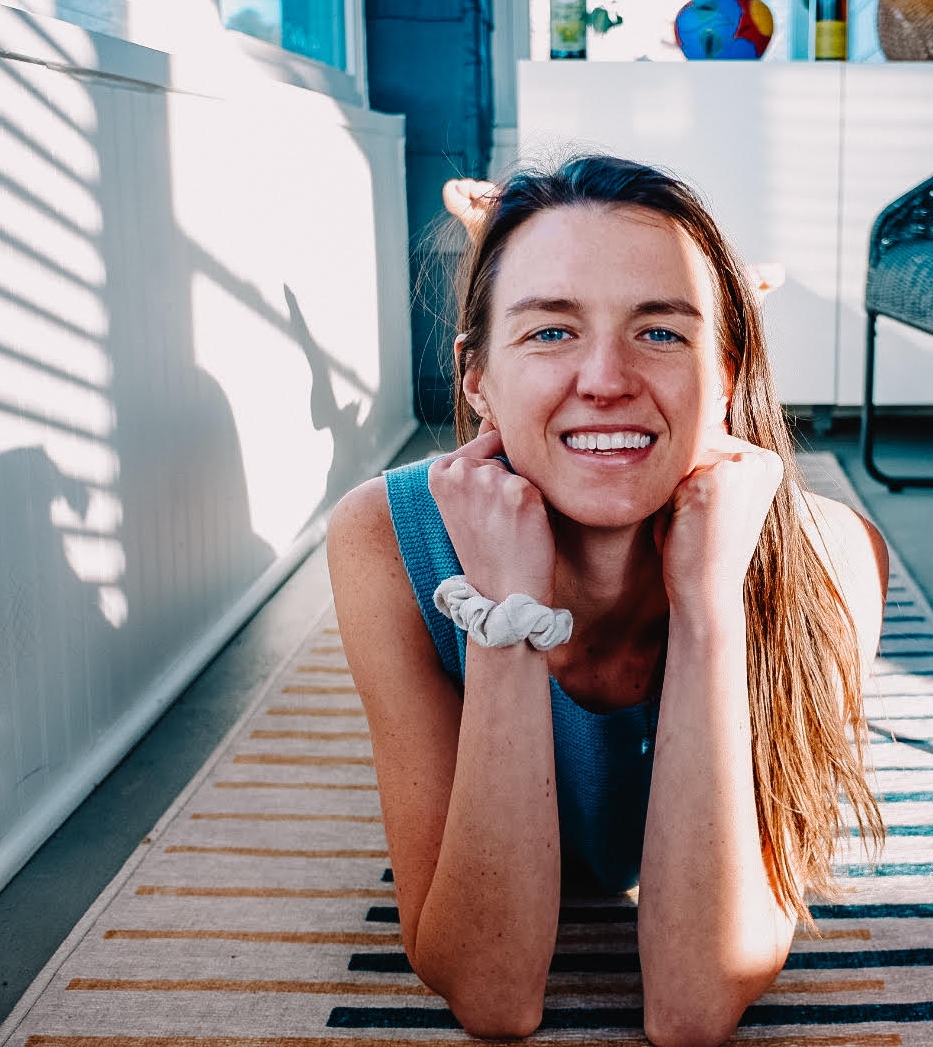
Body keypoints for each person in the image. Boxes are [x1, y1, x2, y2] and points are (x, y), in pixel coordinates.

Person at [328, 155, 887, 1044]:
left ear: (730, 376)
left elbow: (693, 1009)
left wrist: (707, 610)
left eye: (661, 333)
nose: (606, 379)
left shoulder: (831, 559)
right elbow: (492, 994)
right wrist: (505, 612)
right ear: (474, 380)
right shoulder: (386, 541)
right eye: (550, 332)